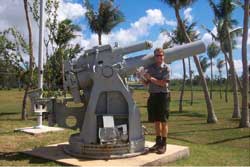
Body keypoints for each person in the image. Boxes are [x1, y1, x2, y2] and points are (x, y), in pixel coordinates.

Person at [142, 48, 171, 154]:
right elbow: (146, 83)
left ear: (163, 56)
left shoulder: (166, 68)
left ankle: (164, 144)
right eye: (157, 55)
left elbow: (163, 83)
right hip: (153, 95)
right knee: (156, 121)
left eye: (161, 55)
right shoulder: (150, 68)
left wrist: (151, 78)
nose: (159, 57)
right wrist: (141, 76)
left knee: (163, 121)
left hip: (163, 96)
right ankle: (158, 142)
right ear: (155, 57)